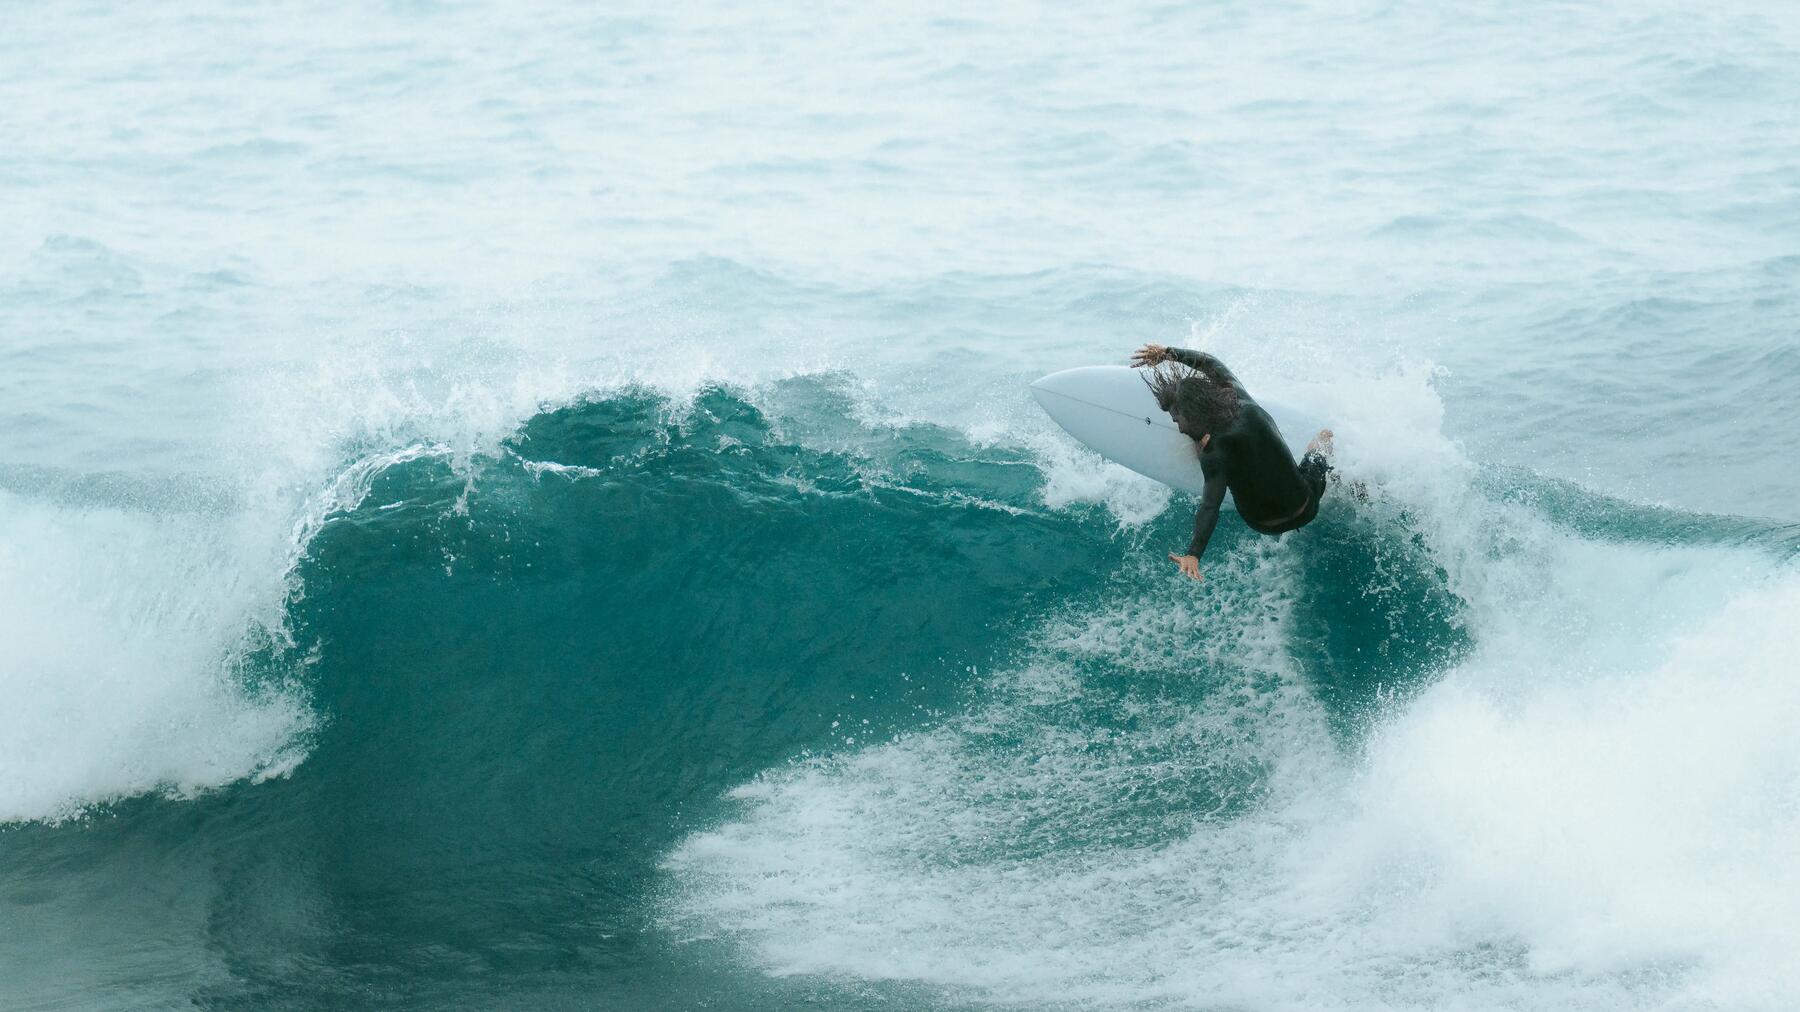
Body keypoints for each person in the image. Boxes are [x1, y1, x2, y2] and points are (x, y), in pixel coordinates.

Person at [1130, 343, 1334, 581]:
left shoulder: (1213, 453)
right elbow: (1211, 363)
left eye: (1177, 419)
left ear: (1194, 414)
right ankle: (1330, 458)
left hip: (1264, 524)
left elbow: (1210, 505)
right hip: (1306, 506)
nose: (1178, 426)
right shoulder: (1244, 401)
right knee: (1319, 447)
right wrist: (1168, 353)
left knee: (1202, 446)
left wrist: (1193, 554)